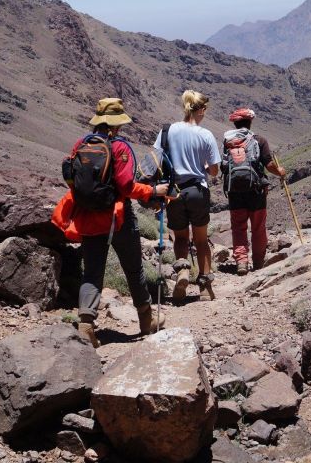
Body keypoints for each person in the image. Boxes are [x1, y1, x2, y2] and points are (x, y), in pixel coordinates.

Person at [52, 98, 169, 348]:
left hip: (88, 218)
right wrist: (152, 191)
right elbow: (126, 187)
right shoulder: (120, 148)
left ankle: (85, 325)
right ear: (116, 125)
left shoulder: (81, 144)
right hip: (118, 217)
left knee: (92, 271)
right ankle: (146, 321)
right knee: (134, 268)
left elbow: (70, 178)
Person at [156, 90, 221, 302]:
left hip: (173, 192)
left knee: (181, 237)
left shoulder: (167, 130)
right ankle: (204, 287)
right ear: (201, 109)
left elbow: (157, 159)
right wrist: (201, 165)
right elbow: (213, 171)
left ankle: (183, 269)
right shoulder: (205, 135)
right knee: (201, 240)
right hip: (197, 190)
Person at [222, 107, 286, 275]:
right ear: (250, 122)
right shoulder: (260, 140)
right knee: (258, 227)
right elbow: (268, 164)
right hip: (256, 190)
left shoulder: (227, 141)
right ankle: (258, 261)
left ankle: (242, 262)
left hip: (234, 190)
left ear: (235, 123)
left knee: (238, 227)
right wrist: (280, 171)